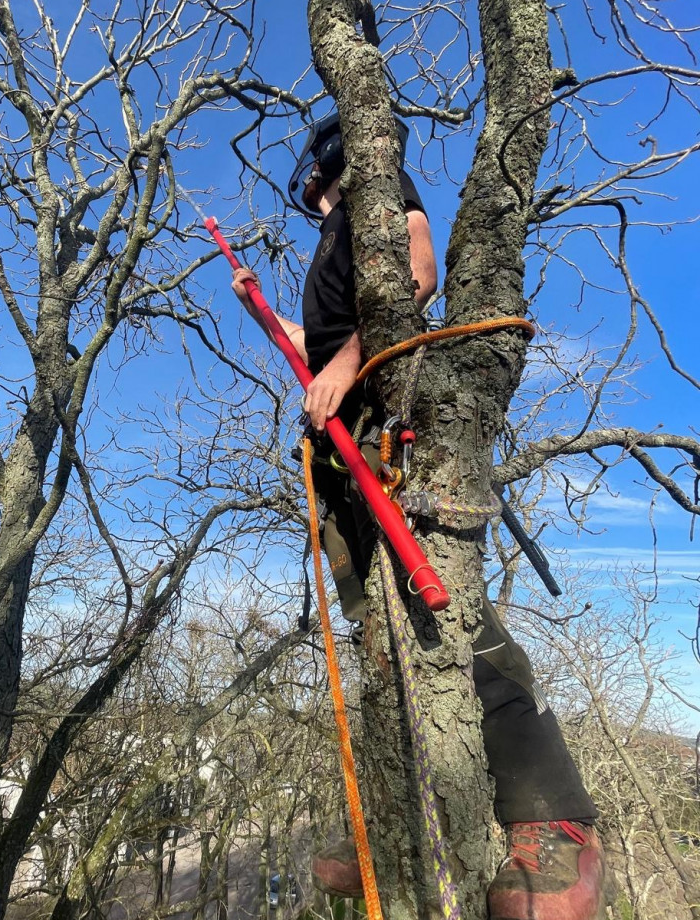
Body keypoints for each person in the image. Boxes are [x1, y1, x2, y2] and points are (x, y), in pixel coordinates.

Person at [231, 112, 606, 920]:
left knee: (448, 606)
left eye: (310, 175)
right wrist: (272, 317)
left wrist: (342, 362)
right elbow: (325, 333)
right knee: (381, 630)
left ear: (325, 164)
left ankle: (555, 817)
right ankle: (393, 799)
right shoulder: (332, 247)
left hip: (379, 419)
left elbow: (419, 276)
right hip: (339, 441)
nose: (308, 189)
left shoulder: (378, 192)